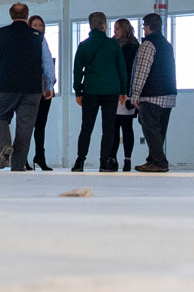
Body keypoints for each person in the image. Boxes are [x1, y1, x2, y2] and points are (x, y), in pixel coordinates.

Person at [0, 2, 45, 173]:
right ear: (27, 15)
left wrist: (0, 66)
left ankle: (5, 145)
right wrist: (48, 84)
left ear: (10, 15)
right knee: (25, 127)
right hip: (32, 87)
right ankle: (18, 166)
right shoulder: (37, 36)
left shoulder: (1, 33)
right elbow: (47, 62)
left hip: (5, 85)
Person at [71, 11, 129, 172]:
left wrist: (78, 92)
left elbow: (77, 72)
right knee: (108, 128)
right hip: (111, 91)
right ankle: (104, 162)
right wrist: (123, 90)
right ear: (104, 25)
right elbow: (121, 69)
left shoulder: (84, 45)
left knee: (86, 127)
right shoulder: (113, 45)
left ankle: (80, 161)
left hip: (90, 90)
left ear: (91, 26)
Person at [129, 12, 176, 173]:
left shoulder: (148, 44)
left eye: (143, 26)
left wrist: (135, 94)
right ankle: (152, 160)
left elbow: (142, 71)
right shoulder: (166, 44)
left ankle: (160, 162)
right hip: (168, 95)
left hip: (152, 95)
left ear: (147, 27)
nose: (143, 29)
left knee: (150, 128)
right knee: (159, 130)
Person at [26, 14, 57, 171]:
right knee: (26, 125)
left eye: (41, 25)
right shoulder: (26, 43)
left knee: (40, 126)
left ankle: (40, 156)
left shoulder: (44, 42)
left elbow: (48, 65)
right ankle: (23, 157)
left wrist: (50, 86)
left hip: (45, 90)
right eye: (35, 25)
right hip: (30, 89)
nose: (39, 28)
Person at [110, 16, 140, 168]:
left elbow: (133, 71)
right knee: (114, 127)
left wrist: (128, 92)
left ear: (125, 30)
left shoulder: (134, 47)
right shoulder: (113, 45)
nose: (114, 32)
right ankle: (113, 158)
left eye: (117, 29)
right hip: (115, 91)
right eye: (114, 29)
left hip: (127, 91)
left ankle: (127, 159)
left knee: (126, 127)